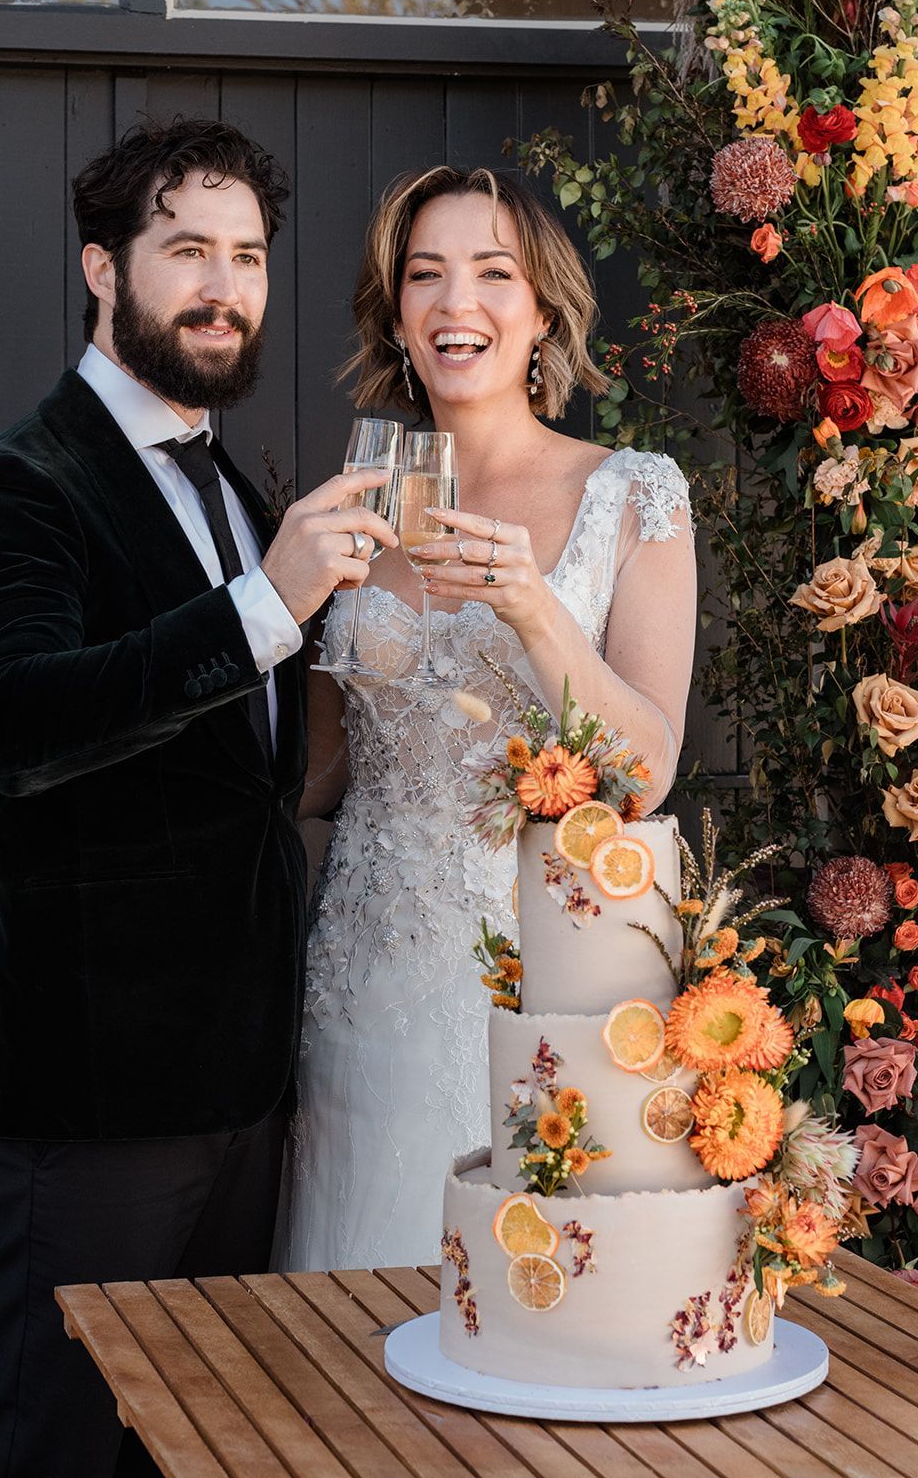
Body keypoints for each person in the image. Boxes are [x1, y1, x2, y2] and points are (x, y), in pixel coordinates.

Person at [0, 117, 397, 1478]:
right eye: (186, 248)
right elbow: (15, 722)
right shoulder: (16, 486)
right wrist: (268, 603)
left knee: (192, 1456)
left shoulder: (239, 493)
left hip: (248, 1088)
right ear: (100, 266)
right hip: (91, 1093)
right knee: (52, 1448)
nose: (222, 286)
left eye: (246, 256)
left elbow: (247, 769)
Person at [282, 165, 698, 1272]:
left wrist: (530, 608)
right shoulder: (362, 497)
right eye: (424, 275)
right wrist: (287, 603)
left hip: (544, 980)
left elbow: (643, 771)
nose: (452, 299)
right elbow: (320, 775)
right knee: (347, 1312)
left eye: (489, 272)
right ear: (398, 316)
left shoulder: (631, 493)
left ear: (542, 309)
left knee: (528, 1299)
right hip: (364, 976)